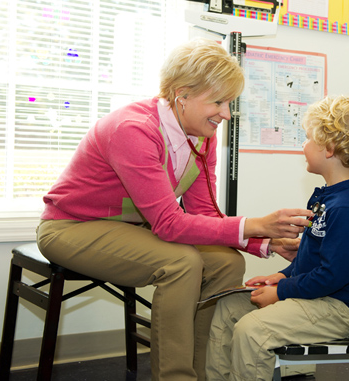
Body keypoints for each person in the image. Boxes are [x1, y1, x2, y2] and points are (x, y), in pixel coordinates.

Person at [36, 38, 311, 381]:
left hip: (132, 229)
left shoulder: (202, 136)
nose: (226, 114)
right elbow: (168, 224)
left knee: (228, 262)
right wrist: (258, 226)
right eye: (218, 102)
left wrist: (264, 243)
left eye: (229, 103)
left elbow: (205, 215)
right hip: (71, 227)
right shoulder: (133, 129)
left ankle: (207, 370)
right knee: (181, 263)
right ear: (182, 94)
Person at [205, 95, 349, 381]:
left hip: (335, 308)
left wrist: (282, 291)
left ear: (329, 147)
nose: (302, 146)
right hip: (316, 295)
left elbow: (332, 276)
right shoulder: (330, 197)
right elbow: (312, 259)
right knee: (229, 307)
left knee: (252, 331)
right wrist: (281, 275)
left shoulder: (347, 208)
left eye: (307, 139)